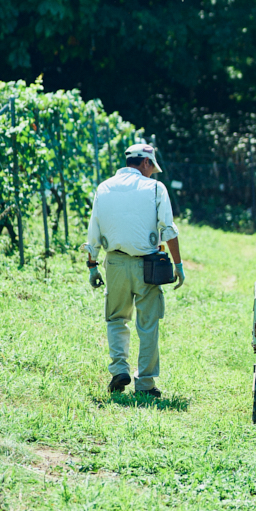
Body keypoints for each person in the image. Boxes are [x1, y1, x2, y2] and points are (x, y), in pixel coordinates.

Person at [86, 141, 184, 396]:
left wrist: (92, 265)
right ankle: (145, 383)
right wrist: (179, 265)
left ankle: (120, 369)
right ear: (145, 162)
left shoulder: (104, 187)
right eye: (152, 166)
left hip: (115, 263)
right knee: (148, 324)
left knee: (116, 318)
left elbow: (93, 229)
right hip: (148, 265)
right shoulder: (155, 189)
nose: (152, 171)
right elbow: (169, 229)